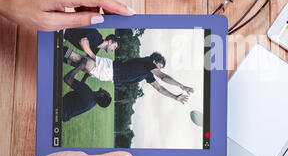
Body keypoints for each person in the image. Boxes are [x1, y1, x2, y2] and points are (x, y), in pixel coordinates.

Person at [0, 0, 143, 156]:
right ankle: (65, 55)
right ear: (111, 41)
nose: (115, 48)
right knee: (79, 61)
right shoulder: (97, 42)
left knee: (79, 61)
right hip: (61, 35)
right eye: (115, 45)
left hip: (66, 61)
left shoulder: (92, 82)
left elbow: (84, 58)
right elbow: (85, 41)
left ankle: (65, 56)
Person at [65, 49, 194, 104]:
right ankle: (61, 50)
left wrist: (175, 97)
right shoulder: (148, 62)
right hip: (109, 70)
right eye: (159, 66)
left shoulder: (147, 73)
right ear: (155, 61)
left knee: (80, 61)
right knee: (80, 60)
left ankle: (61, 53)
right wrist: (182, 86)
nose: (158, 70)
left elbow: (159, 88)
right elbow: (163, 77)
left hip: (109, 70)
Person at [62, 58, 112, 122]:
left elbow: (67, 79)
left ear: (101, 95)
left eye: (106, 92)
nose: (105, 90)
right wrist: (85, 77)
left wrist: (80, 66)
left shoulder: (88, 94)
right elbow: (81, 92)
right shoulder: (93, 101)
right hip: (63, 115)